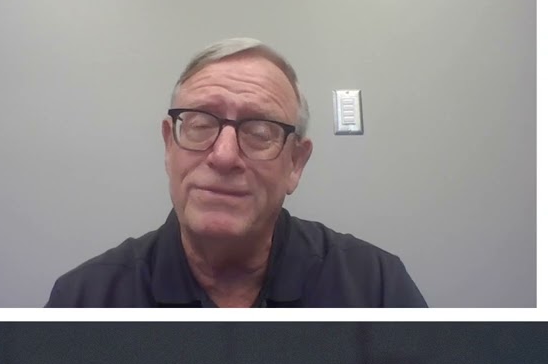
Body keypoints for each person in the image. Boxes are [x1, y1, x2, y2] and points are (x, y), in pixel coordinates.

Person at [46, 38, 427, 308]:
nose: (224, 156)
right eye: (200, 125)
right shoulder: (84, 300)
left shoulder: (375, 288)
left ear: (295, 163)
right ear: (169, 145)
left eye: (259, 132)